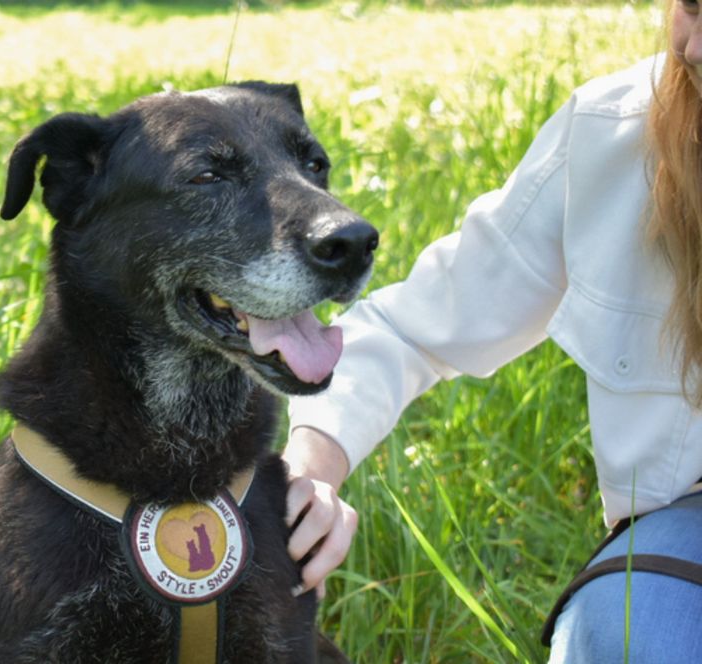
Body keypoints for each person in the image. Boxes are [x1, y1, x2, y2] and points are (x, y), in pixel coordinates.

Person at [282, 0, 702, 660]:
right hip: (690, 524)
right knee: (622, 635)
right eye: (694, 7)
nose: (696, 48)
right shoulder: (611, 136)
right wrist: (311, 472)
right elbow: (411, 328)